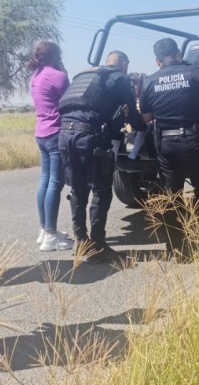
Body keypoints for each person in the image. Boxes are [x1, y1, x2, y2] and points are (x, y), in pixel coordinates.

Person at [58, 51, 144, 263]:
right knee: (101, 190)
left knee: (78, 189)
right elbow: (132, 114)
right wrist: (144, 125)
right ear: (123, 64)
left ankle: (81, 241)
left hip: (65, 135)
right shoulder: (120, 78)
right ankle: (98, 246)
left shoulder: (83, 75)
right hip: (91, 137)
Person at [139, 38, 199, 211]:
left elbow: (146, 118)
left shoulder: (149, 82)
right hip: (196, 141)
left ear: (157, 61)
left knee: (172, 194)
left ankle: (175, 228)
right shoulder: (195, 73)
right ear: (178, 54)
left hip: (167, 145)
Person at [29, 41, 72, 252]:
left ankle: (44, 229)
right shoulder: (58, 76)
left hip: (41, 132)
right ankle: (51, 235)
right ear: (56, 55)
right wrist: (64, 72)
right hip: (56, 132)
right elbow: (70, 100)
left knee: (45, 180)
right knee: (55, 182)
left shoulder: (35, 76)